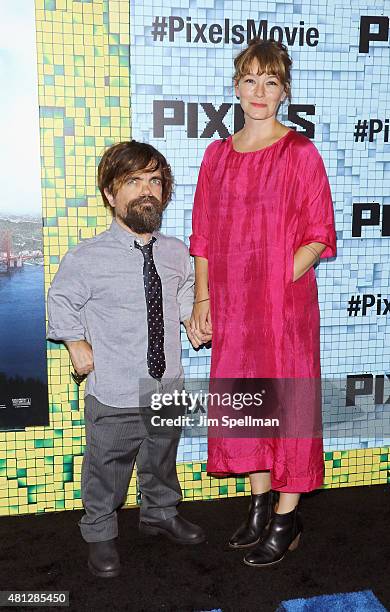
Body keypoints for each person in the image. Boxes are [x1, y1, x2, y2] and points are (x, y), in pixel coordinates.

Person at [189, 38, 336, 567]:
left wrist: (273, 281)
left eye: (270, 81)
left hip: (284, 311)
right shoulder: (217, 156)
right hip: (232, 310)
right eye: (250, 79)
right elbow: (202, 235)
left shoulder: (301, 153)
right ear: (236, 88)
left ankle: (285, 516)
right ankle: (258, 503)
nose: (259, 90)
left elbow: (319, 234)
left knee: (289, 406)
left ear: (283, 92)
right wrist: (205, 297)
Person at [47, 140, 210, 578]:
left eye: (154, 180)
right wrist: (74, 343)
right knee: (107, 470)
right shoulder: (87, 257)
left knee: (161, 458)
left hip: (167, 384)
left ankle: (159, 513)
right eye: (133, 181)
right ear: (110, 194)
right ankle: (100, 534)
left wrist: (196, 319)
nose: (146, 191)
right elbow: (60, 302)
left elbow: (178, 297)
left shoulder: (177, 252)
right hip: (115, 388)